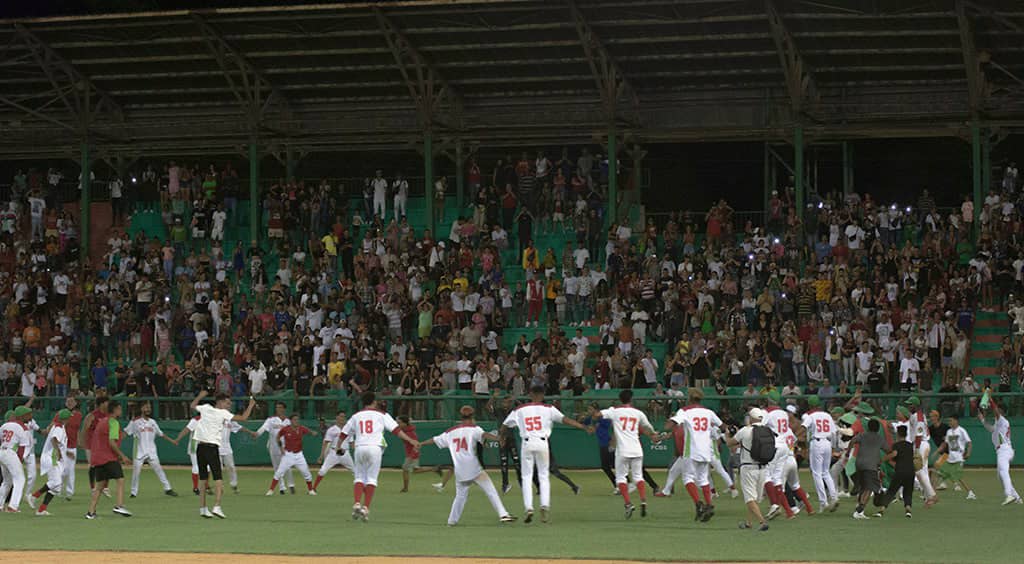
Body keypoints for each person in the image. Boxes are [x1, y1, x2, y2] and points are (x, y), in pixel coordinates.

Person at [501, 385, 587, 524]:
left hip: (527, 443)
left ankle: (529, 508)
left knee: (527, 477)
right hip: (542, 443)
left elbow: (505, 425)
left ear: (530, 394)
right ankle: (544, 505)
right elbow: (566, 420)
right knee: (543, 476)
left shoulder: (520, 409)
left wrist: (501, 437)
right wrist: (582, 426)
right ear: (542, 395)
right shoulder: (549, 409)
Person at [419, 405, 517, 525]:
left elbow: (434, 440)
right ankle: (503, 514)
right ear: (472, 416)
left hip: (460, 470)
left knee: (460, 497)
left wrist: (421, 443)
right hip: (473, 468)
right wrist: (497, 438)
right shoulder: (474, 428)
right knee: (490, 490)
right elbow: (485, 435)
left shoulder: (450, 432)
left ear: (461, 416)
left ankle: (452, 521)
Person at [337, 391, 420, 521]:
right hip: (375, 447)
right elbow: (396, 430)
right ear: (374, 402)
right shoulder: (382, 415)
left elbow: (343, 433)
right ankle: (365, 508)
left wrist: (338, 446)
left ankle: (357, 502)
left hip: (359, 447)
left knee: (359, 477)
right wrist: (410, 440)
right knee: (371, 479)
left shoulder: (356, 416)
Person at [189, 390, 257, 518]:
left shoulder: (206, 408)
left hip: (200, 447)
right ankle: (217, 506)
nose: (229, 405)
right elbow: (243, 418)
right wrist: (251, 405)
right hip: (212, 447)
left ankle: (203, 509)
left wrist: (200, 396)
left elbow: (192, 406)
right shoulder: (223, 413)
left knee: (203, 479)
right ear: (220, 402)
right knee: (218, 479)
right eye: (227, 403)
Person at [595, 389, 660, 519]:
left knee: (621, 478)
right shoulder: (638, 413)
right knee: (638, 476)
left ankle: (628, 503)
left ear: (620, 399)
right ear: (631, 399)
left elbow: (598, 415)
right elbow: (648, 427)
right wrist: (653, 434)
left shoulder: (615, 411)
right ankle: (643, 500)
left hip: (622, 450)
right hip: (636, 449)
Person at [665, 388, 723, 522]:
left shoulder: (685, 411)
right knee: (703, 479)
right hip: (705, 451)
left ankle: (698, 504)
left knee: (688, 478)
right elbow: (722, 426)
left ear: (689, 398)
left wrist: (667, 425)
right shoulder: (708, 412)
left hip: (691, 450)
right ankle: (709, 504)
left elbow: (673, 423)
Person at [85, 401, 133, 520]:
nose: (121, 411)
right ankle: (119, 505)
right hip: (108, 457)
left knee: (100, 485)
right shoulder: (113, 422)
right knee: (120, 479)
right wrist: (123, 456)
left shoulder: (102, 422)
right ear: (115, 409)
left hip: (97, 458)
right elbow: (112, 442)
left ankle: (91, 512)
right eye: (120, 409)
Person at [726, 407, 769, 531]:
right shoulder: (766, 430)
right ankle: (749, 522)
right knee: (754, 498)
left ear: (750, 418)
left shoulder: (745, 430)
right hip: (763, 467)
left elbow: (730, 443)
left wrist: (727, 434)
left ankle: (762, 521)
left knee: (749, 498)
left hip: (748, 467)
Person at [124, 402, 179, 498]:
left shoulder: (152, 422)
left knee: (159, 470)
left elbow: (161, 434)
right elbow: (126, 432)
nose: (148, 409)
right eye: (146, 407)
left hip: (151, 451)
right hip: (139, 451)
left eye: (149, 407)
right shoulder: (135, 422)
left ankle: (168, 489)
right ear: (141, 409)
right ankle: (133, 492)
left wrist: (172, 441)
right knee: (136, 472)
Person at [26, 408, 71, 516]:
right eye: (69, 418)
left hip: (55, 458)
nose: (70, 419)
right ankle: (33, 496)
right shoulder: (58, 428)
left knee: (57, 487)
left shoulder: (61, 426)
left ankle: (41, 510)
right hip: (52, 457)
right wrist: (58, 451)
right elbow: (54, 439)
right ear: (65, 419)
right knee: (56, 482)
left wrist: (65, 452)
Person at [761, 392, 797, 520]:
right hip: (785, 447)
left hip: (774, 445)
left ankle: (775, 505)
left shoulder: (766, 412)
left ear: (768, 400)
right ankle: (789, 512)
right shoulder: (783, 413)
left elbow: (761, 427)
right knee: (777, 479)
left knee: (766, 476)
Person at [800, 396, 839, 512]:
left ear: (810, 405)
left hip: (817, 443)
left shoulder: (811, 416)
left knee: (817, 473)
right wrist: (833, 447)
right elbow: (834, 433)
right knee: (826, 472)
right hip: (827, 442)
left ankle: (823, 502)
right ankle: (834, 496)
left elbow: (803, 427)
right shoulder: (827, 415)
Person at [978, 401, 1020, 505]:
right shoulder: (998, 423)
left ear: (1002, 411)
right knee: (1001, 476)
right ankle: (1017, 498)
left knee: (1003, 472)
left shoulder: (1002, 420)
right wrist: (983, 420)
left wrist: (991, 400)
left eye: (998, 410)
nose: (995, 411)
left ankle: (1009, 495)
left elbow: (996, 411)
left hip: (1004, 449)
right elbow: (991, 429)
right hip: (1002, 450)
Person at [265, 413, 317, 496]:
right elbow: (278, 437)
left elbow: (311, 432)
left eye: (297, 419)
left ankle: (311, 490)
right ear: (290, 421)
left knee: (306, 473)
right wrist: (281, 447)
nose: (296, 421)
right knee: (279, 472)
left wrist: (314, 433)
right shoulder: (286, 429)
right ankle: (271, 490)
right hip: (288, 455)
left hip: (299, 455)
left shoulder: (301, 428)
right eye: (294, 419)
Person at [848, 417, 890, 520]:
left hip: (859, 464)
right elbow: (888, 450)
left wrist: (848, 452)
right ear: (877, 428)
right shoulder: (879, 438)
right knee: (869, 488)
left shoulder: (862, 435)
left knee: (863, 486)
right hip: (871, 465)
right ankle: (859, 511)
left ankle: (859, 506)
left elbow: (852, 440)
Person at [253, 402, 294, 494]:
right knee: (277, 467)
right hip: (274, 447)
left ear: (284, 409)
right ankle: (281, 487)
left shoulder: (288, 421)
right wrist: (257, 433)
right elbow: (263, 428)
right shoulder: (271, 420)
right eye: (277, 407)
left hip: (286, 447)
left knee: (288, 466)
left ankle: (291, 485)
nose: (278, 409)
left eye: (280, 407)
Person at [933, 414, 975, 500]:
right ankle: (931, 494)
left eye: (951, 420)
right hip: (949, 458)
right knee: (938, 474)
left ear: (956, 421)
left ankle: (971, 493)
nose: (949, 422)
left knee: (958, 477)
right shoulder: (949, 432)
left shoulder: (962, 430)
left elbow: (969, 443)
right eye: (949, 421)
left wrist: (968, 453)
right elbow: (945, 444)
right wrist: (937, 451)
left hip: (958, 458)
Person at [878, 426, 916, 518]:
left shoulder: (896, 445)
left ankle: (882, 510)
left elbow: (894, 454)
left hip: (900, 471)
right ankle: (908, 510)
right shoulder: (910, 445)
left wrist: (882, 459)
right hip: (911, 471)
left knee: (891, 491)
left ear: (898, 434)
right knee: (908, 492)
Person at [313, 411, 355, 492]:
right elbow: (325, 443)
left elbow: (352, 443)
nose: (343, 418)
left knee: (355, 471)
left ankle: (363, 489)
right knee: (322, 470)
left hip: (345, 453)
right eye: (341, 416)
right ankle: (313, 489)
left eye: (344, 416)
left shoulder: (349, 430)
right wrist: (321, 456)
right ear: (337, 417)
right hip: (333, 453)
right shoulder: (331, 429)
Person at [0, 407, 30, 513]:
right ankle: (13, 506)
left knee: (6, 481)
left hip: (2, 452)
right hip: (11, 453)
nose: (30, 416)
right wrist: (20, 459)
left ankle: (0, 504)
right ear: (21, 416)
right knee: (20, 479)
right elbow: (22, 446)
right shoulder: (21, 427)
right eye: (28, 414)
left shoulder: (4, 425)